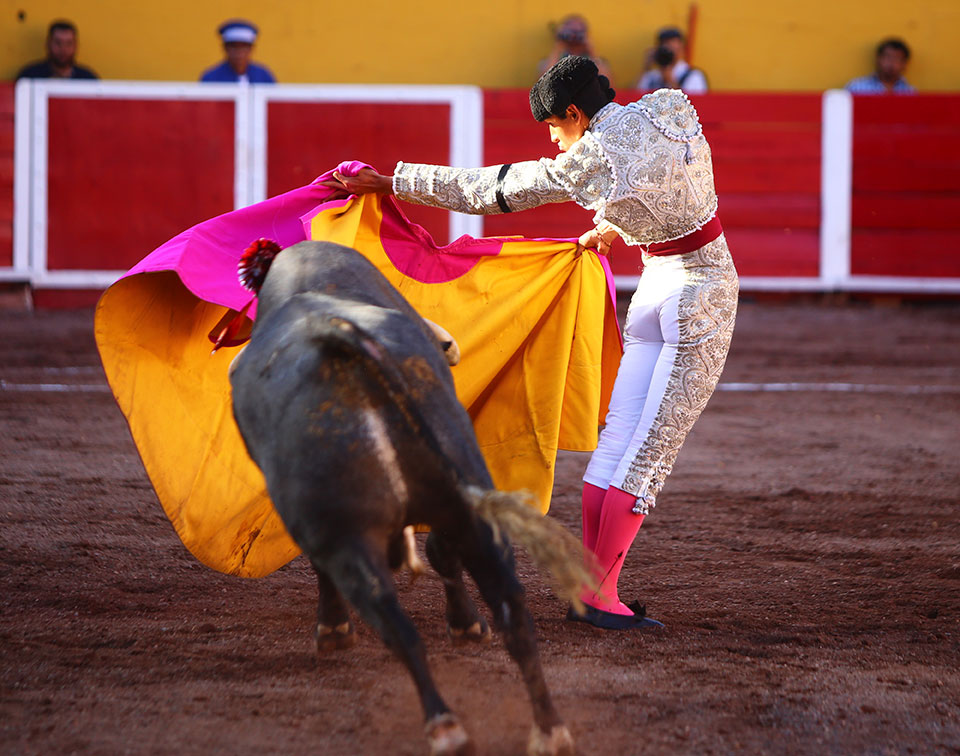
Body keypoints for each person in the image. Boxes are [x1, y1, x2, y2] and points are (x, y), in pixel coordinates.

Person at [326, 56, 739, 631]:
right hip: (704, 291)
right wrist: (622, 223)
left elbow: (488, 190)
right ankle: (601, 596)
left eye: (552, 127)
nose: (552, 139)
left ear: (574, 113)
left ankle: (591, 589)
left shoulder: (589, 161)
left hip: (653, 296)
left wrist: (392, 180)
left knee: (621, 443)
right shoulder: (668, 105)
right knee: (646, 453)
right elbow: (680, 183)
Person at [538, 14, 614, 86]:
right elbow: (542, 84)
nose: (574, 36)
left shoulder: (596, 60)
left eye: (578, 32)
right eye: (570, 31)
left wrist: (592, 51)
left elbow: (609, 85)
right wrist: (557, 48)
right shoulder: (553, 59)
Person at [16, 20, 98, 80]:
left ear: (76, 46)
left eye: (69, 43)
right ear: (48, 44)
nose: (63, 49)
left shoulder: (88, 79)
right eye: (58, 43)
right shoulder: (30, 76)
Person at [199, 20, 276, 84]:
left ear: (252, 48)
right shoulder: (212, 77)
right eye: (233, 46)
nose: (239, 52)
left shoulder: (263, 75)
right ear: (225, 48)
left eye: (244, 47)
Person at [636, 27, 707, 94]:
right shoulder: (652, 76)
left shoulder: (694, 76)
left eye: (672, 47)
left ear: (681, 48)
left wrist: (669, 79)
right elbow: (634, 96)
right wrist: (646, 68)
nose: (668, 51)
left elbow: (695, 102)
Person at [846, 38, 915, 94]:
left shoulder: (910, 92)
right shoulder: (856, 88)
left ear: (904, 64)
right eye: (887, 57)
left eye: (897, 59)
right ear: (878, 59)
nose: (891, 63)